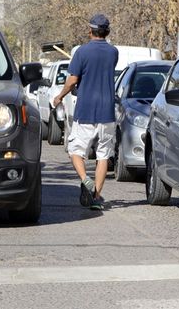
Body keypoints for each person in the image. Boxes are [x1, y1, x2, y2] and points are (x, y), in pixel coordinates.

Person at [53, 14, 119, 210]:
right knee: (103, 156)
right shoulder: (113, 52)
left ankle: (85, 179)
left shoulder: (81, 52)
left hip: (87, 110)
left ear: (90, 31)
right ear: (106, 32)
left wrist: (60, 96)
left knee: (75, 150)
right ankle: (97, 197)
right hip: (107, 111)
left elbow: (73, 80)